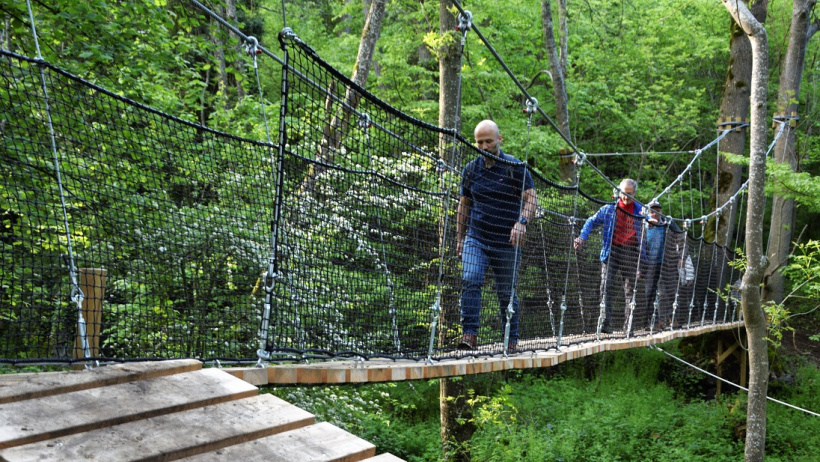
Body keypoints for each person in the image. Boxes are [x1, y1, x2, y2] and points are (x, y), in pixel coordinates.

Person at [456, 120, 537, 351]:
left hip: (507, 242)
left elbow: (532, 199)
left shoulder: (515, 167)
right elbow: (464, 205)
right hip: (477, 238)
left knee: (505, 291)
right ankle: (469, 335)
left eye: (488, 141)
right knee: (470, 278)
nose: (484, 146)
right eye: (479, 142)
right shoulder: (471, 170)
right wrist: (460, 238)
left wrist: (522, 222)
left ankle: (510, 339)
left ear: (499, 140)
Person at [573, 179, 643, 333]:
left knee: (630, 289)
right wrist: (582, 237)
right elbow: (591, 221)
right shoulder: (609, 209)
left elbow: (650, 226)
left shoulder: (640, 211)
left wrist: (651, 223)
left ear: (635, 193)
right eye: (623, 193)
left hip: (630, 252)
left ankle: (628, 326)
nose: (625, 197)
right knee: (606, 286)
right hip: (612, 250)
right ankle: (605, 324)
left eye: (629, 194)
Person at [642, 200, 681, 329]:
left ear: (661, 211)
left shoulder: (668, 222)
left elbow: (681, 237)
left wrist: (681, 256)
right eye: (652, 211)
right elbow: (638, 243)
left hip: (667, 262)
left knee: (670, 291)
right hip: (650, 264)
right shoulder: (643, 223)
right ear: (648, 212)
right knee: (649, 293)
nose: (654, 213)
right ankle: (654, 322)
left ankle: (672, 318)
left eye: (657, 210)